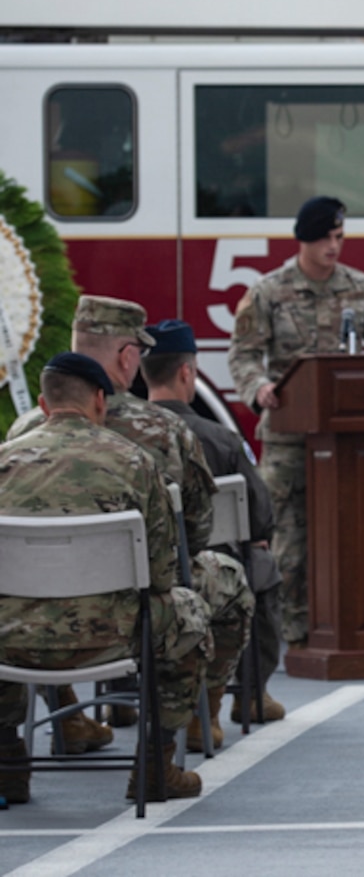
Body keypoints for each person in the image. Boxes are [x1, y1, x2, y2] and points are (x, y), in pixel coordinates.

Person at [8, 297, 249, 756]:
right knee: (224, 582)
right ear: (127, 357)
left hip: (22, 625)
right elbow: (194, 534)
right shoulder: (165, 431)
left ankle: (31, 741)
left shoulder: (19, 435)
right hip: (122, 623)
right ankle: (194, 725)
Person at [0, 354, 212, 804]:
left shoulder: (3, 461)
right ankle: (156, 763)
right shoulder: (134, 461)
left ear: (42, 403)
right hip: (113, 638)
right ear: (101, 400)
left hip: (11, 641)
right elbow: (159, 574)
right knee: (188, 611)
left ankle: (7, 760)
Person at [227, 196, 364, 653]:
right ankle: (292, 630)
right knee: (289, 536)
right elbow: (244, 353)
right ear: (304, 240)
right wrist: (259, 387)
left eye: (340, 237)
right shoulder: (269, 291)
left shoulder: (361, 288)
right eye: (326, 237)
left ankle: (353, 623)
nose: (334, 246)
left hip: (349, 437)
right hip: (290, 434)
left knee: (355, 530)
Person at [142, 319, 286, 730]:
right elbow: (260, 520)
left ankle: (122, 701)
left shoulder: (117, 438)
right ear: (187, 372)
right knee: (261, 567)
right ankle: (245, 696)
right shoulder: (220, 439)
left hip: (133, 579)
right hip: (210, 577)